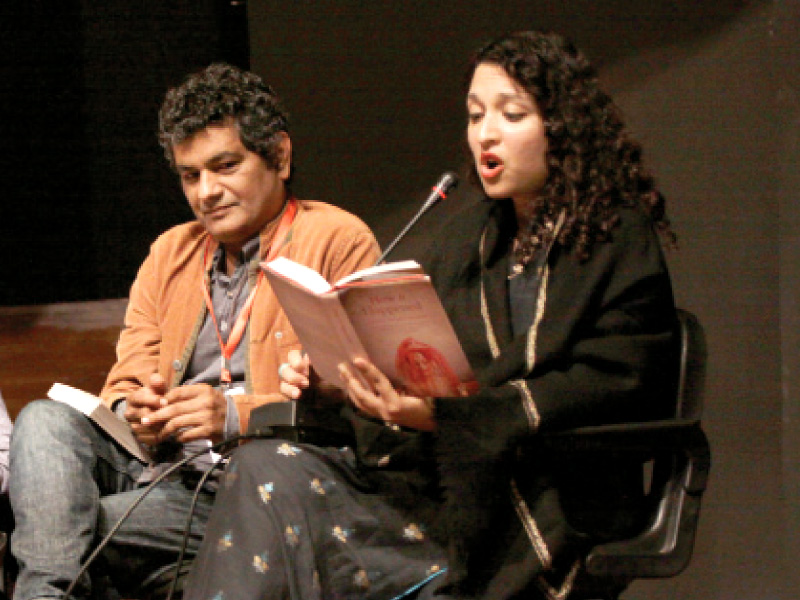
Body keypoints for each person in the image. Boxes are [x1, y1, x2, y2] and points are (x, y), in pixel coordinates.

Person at [183, 31, 679, 600]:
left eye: (511, 114)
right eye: (474, 116)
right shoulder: (469, 238)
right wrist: (340, 383)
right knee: (265, 466)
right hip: (441, 485)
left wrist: (437, 417)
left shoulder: (614, 239)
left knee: (285, 525)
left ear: (562, 127)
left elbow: (613, 384)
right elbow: (424, 369)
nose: (485, 133)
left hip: (544, 503)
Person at [8, 63, 379, 600]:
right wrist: (137, 407)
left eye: (224, 166)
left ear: (279, 155)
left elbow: (356, 407)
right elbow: (126, 379)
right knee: (45, 420)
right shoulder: (171, 253)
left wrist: (232, 414)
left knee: (61, 529)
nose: (206, 192)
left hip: (259, 485)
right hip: (161, 468)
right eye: (189, 175)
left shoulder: (337, 240)